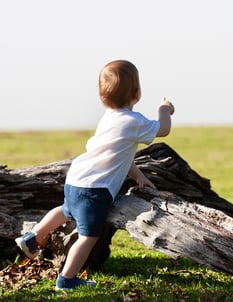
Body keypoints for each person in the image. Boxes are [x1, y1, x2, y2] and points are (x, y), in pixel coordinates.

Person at [15, 59, 175, 290]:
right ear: (137, 93)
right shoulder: (133, 121)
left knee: (65, 210)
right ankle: (67, 280)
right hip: (95, 190)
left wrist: (138, 176)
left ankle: (34, 235)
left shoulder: (109, 118)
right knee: (88, 237)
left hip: (77, 179)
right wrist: (164, 109)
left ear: (103, 96)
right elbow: (164, 129)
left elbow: (119, 156)